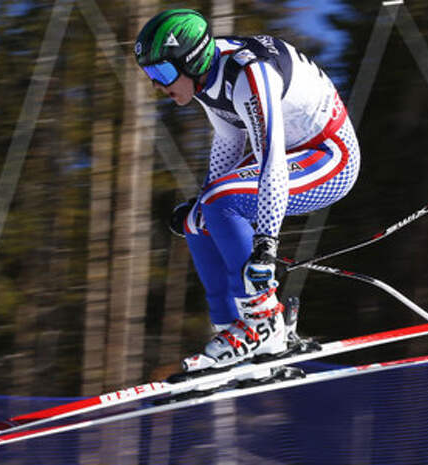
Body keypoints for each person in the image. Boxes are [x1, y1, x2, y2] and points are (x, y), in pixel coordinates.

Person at [135, 9, 360, 373]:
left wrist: (266, 244)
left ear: (190, 60)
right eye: (149, 75)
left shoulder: (250, 74)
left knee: (218, 203)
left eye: (160, 73)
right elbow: (228, 139)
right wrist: (205, 209)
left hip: (330, 158)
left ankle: (262, 322)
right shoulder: (207, 77)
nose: (157, 86)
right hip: (290, 157)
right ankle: (232, 329)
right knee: (198, 218)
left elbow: (270, 160)